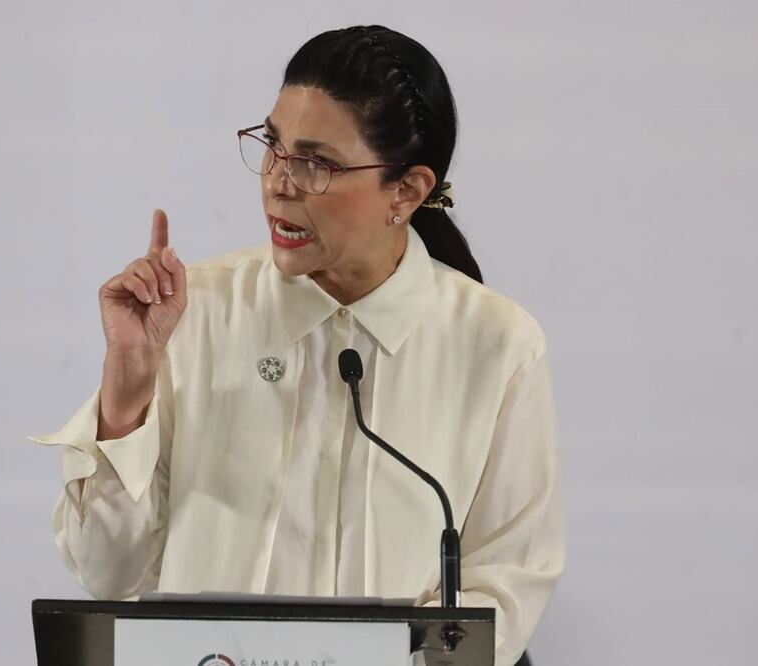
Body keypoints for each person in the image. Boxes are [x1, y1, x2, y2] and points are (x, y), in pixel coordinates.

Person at [30, 25, 564, 666]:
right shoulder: (189, 315)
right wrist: (127, 394)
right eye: (272, 147)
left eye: (316, 162)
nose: (277, 183)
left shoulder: (497, 345)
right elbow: (106, 575)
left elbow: (503, 588)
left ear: (408, 191)